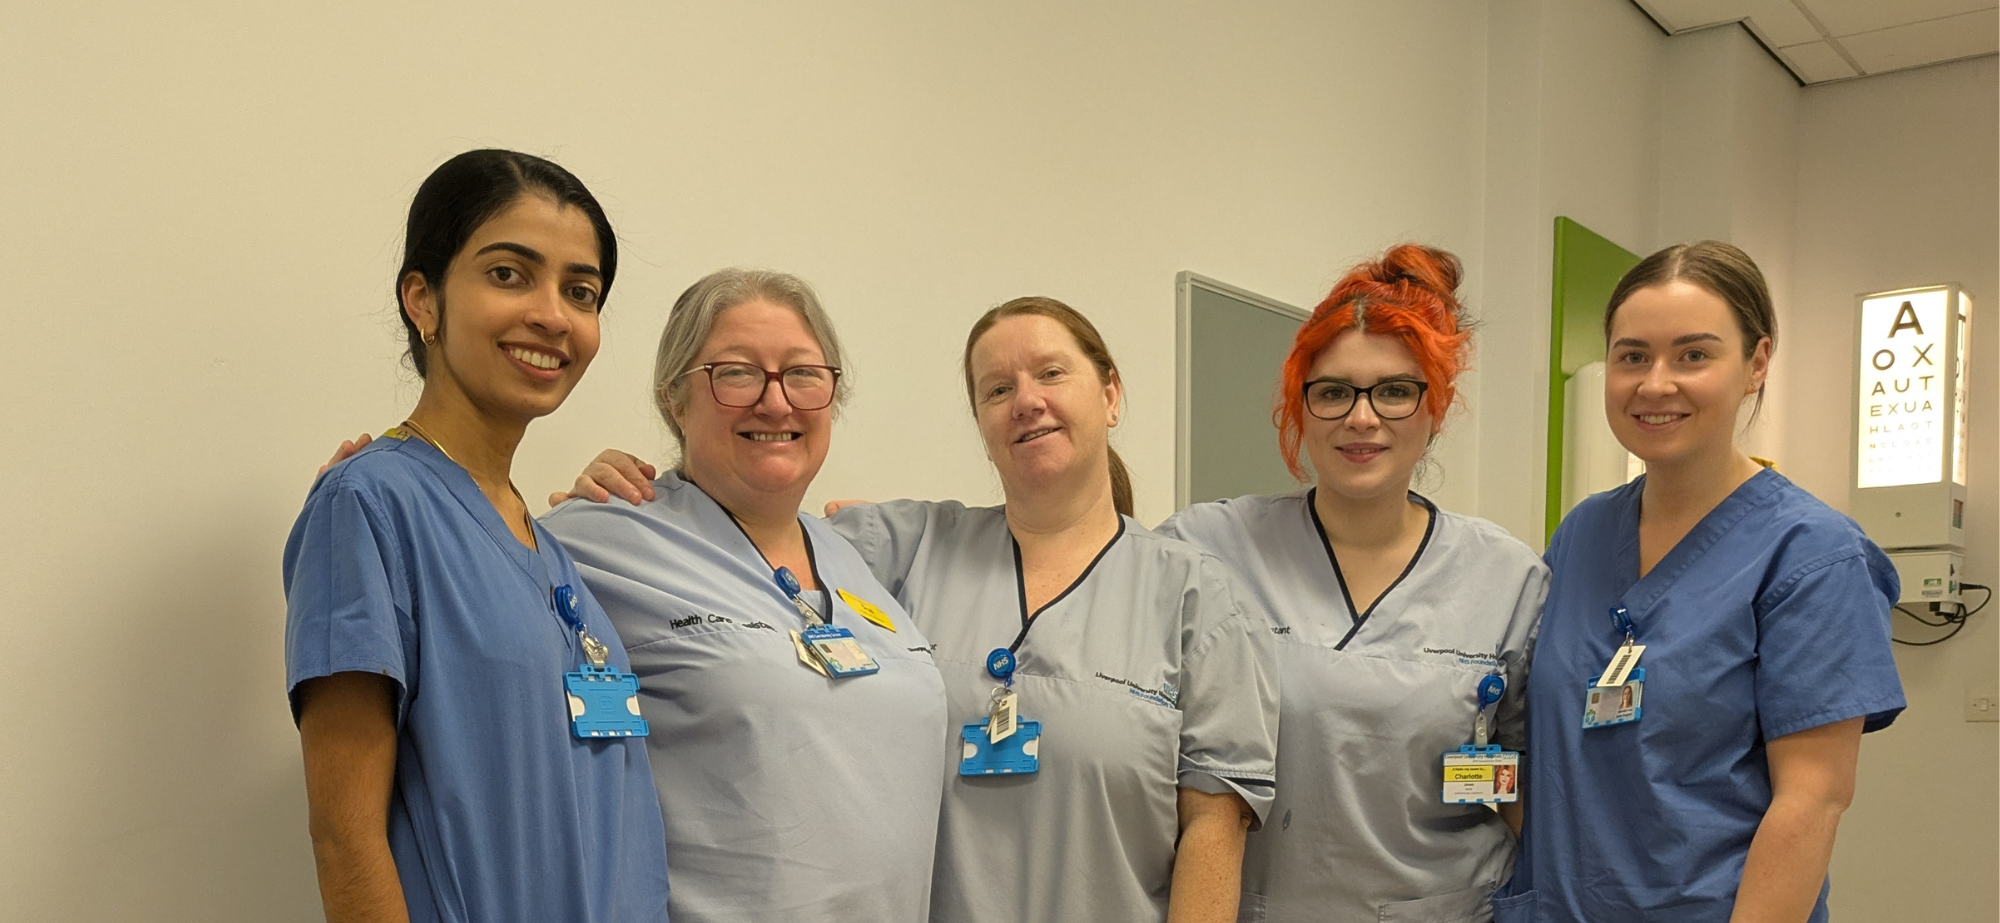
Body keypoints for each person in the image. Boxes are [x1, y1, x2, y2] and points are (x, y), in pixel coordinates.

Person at [568, 296, 1279, 923]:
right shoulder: (900, 545)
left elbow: (1214, 832)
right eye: (997, 387)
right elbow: (751, 533)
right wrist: (642, 485)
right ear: (981, 422)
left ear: (1112, 395)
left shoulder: (1195, 594)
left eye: (1052, 373)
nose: (1026, 399)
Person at [284, 149, 670, 923]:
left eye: (581, 290)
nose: (553, 315)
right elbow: (344, 838)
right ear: (422, 300)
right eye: (508, 274)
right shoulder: (368, 503)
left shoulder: (547, 543)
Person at [1493, 241, 1905, 923]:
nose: (1656, 384)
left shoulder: (1811, 553)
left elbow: (1812, 800)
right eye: (1632, 356)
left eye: (1693, 354)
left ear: (1756, 363)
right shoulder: (1584, 533)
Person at [538, 269, 948, 923]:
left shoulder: (855, 559)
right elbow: (457, 594)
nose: (777, 402)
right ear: (676, 398)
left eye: (803, 374)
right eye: (736, 372)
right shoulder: (602, 536)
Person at [1155, 245, 1546, 923]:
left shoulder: (1506, 577)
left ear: (1436, 408)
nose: (1361, 418)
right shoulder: (1208, 550)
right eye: (1333, 391)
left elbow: (1528, 792)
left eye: (1394, 390)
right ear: (1301, 407)